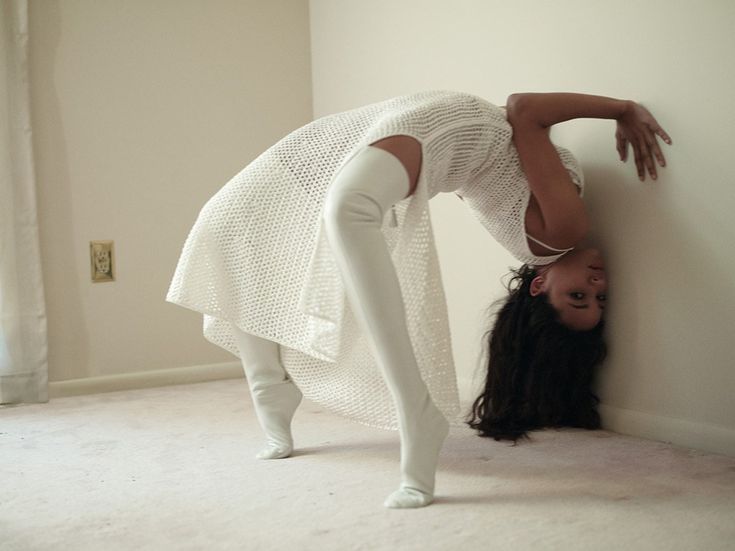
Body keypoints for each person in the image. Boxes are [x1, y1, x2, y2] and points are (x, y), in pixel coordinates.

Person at [166, 90, 671, 509]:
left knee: (229, 221)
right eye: (596, 298)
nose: (599, 283)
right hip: (453, 123)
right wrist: (623, 109)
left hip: (429, 128)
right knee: (345, 210)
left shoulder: (554, 235)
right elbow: (523, 108)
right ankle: (410, 411)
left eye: (580, 297)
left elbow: (522, 120)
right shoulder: (567, 227)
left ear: (539, 287)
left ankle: (272, 386)